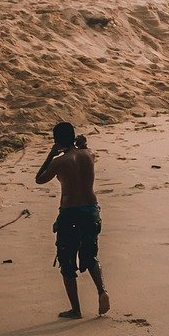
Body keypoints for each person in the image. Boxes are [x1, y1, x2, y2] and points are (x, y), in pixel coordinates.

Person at [36, 122, 109, 318]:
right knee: (90, 254)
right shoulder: (89, 154)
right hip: (91, 209)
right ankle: (102, 291)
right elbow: (85, 149)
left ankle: (76, 309)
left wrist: (51, 154)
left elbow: (39, 179)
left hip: (70, 212)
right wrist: (82, 144)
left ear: (56, 140)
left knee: (67, 261)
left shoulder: (59, 161)